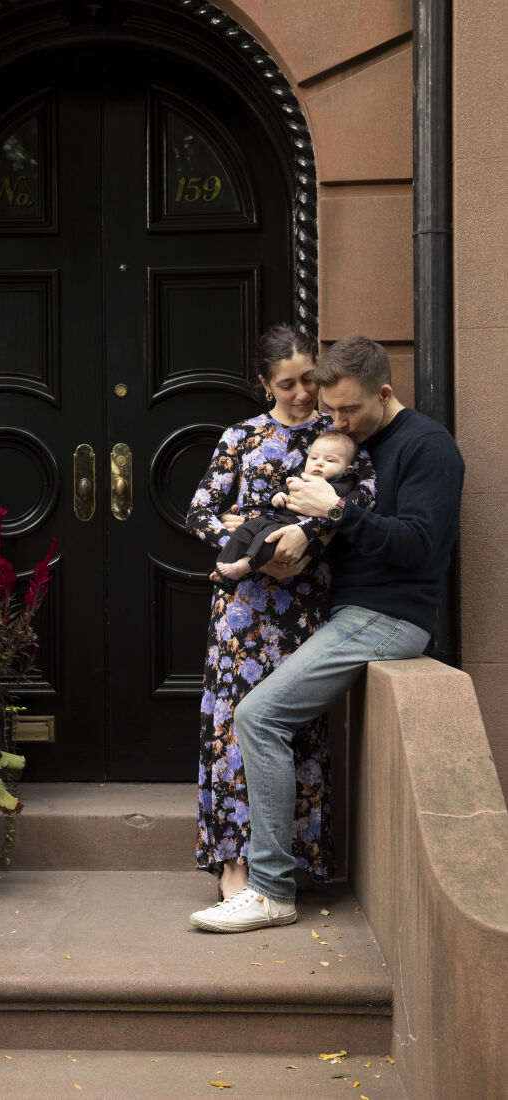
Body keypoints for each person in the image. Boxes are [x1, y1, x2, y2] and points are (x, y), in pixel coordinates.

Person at [189, 335, 464, 933]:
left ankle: (270, 890)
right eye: (329, 409)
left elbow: (419, 545)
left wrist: (334, 512)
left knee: (259, 717)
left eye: (347, 411)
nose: (334, 421)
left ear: (384, 393)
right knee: (261, 718)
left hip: (387, 618)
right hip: (344, 615)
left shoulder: (427, 446)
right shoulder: (354, 446)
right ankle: (262, 880)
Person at [186, 324, 376, 901]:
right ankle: (233, 867)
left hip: (304, 613)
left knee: (291, 733)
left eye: (308, 382)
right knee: (232, 733)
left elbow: (361, 498)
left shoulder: (336, 438)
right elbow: (199, 510)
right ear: (264, 383)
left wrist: (306, 532)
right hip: (242, 615)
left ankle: (285, 865)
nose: (301, 394)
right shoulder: (240, 438)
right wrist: (242, 538)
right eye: (287, 384)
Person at [211, 431, 361, 592]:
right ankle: (224, 568)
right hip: (276, 517)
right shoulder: (301, 475)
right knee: (244, 530)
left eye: (329, 460)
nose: (319, 463)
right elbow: (281, 490)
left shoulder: (342, 482)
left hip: (296, 526)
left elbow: (344, 506)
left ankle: (242, 567)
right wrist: (278, 496)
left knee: (268, 538)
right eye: (314, 458)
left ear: (347, 468)